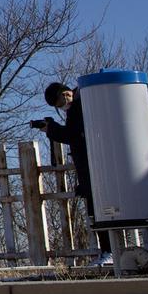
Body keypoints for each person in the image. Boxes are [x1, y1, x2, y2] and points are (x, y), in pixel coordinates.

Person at [31, 82, 95, 213]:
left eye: (60, 104)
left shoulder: (79, 107)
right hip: (92, 172)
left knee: (99, 218)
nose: (62, 107)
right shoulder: (83, 102)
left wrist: (51, 129)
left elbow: (74, 135)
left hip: (93, 172)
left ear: (65, 94)